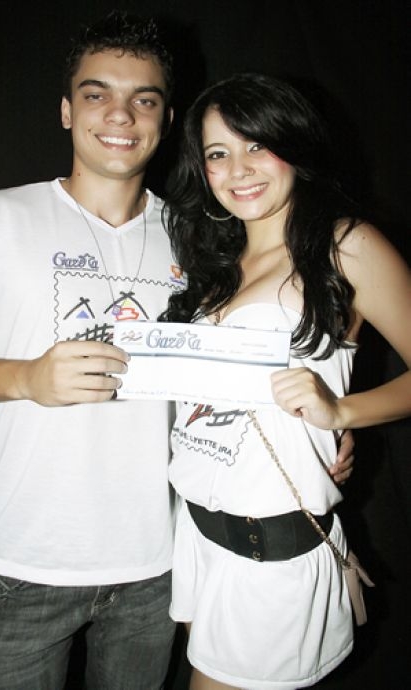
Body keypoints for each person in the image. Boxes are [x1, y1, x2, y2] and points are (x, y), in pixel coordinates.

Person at [0, 14, 354, 690]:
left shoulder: (203, 238)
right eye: (96, 94)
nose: (120, 115)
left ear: (167, 120)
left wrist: (331, 423)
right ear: (67, 110)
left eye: (143, 99)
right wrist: (25, 378)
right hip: (23, 562)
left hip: (161, 562)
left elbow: (278, 338)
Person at [159, 72, 411, 690]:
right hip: (197, 534)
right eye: (218, 153)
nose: (238, 169)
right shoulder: (216, 261)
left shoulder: (345, 245)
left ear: (292, 144)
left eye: (256, 145)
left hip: (267, 554)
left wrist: (342, 414)